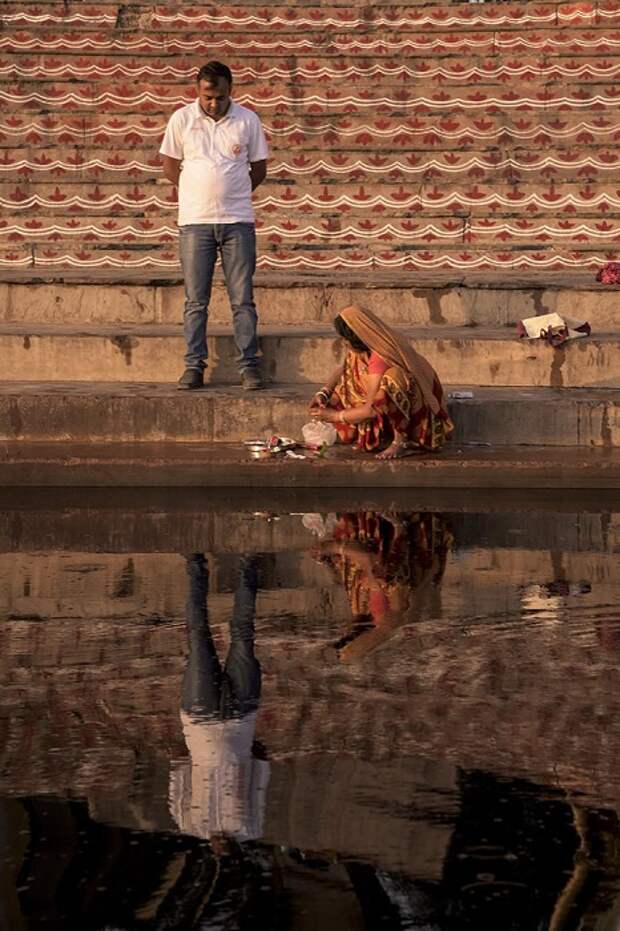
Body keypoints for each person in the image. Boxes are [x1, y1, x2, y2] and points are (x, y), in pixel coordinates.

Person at [159, 61, 268, 391]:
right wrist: (198, 191)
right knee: (195, 301)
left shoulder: (247, 120)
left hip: (238, 222)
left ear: (230, 91)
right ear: (197, 91)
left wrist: (231, 193)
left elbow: (259, 169)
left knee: (243, 300)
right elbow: (169, 166)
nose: (213, 103)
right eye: (207, 96)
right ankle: (194, 366)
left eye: (219, 97)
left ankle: (249, 366)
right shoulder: (181, 119)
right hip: (195, 223)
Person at [309, 305, 453, 458]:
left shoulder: (380, 357)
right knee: (346, 381)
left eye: (345, 339)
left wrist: (335, 416)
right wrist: (324, 392)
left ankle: (401, 441)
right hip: (386, 398)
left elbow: (369, 410)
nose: (343, 342)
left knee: (391, 382)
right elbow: (342, 368)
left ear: (356, 339)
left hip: (416, 411)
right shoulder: (368, 342)